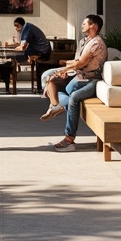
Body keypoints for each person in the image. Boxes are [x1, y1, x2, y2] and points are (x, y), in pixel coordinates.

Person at [39, 14, 106, 152]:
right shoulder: (84, 41)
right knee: (50, 82)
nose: (82, 25)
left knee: (73, 98)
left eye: (84, 23)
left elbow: (81, 63)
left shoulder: (96, 43)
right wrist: (66, 71)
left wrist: (64, 68)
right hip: (78, 78)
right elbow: (77, 63)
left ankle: (69, 139)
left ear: (93, 26)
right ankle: (56, 105)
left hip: (91, 80)